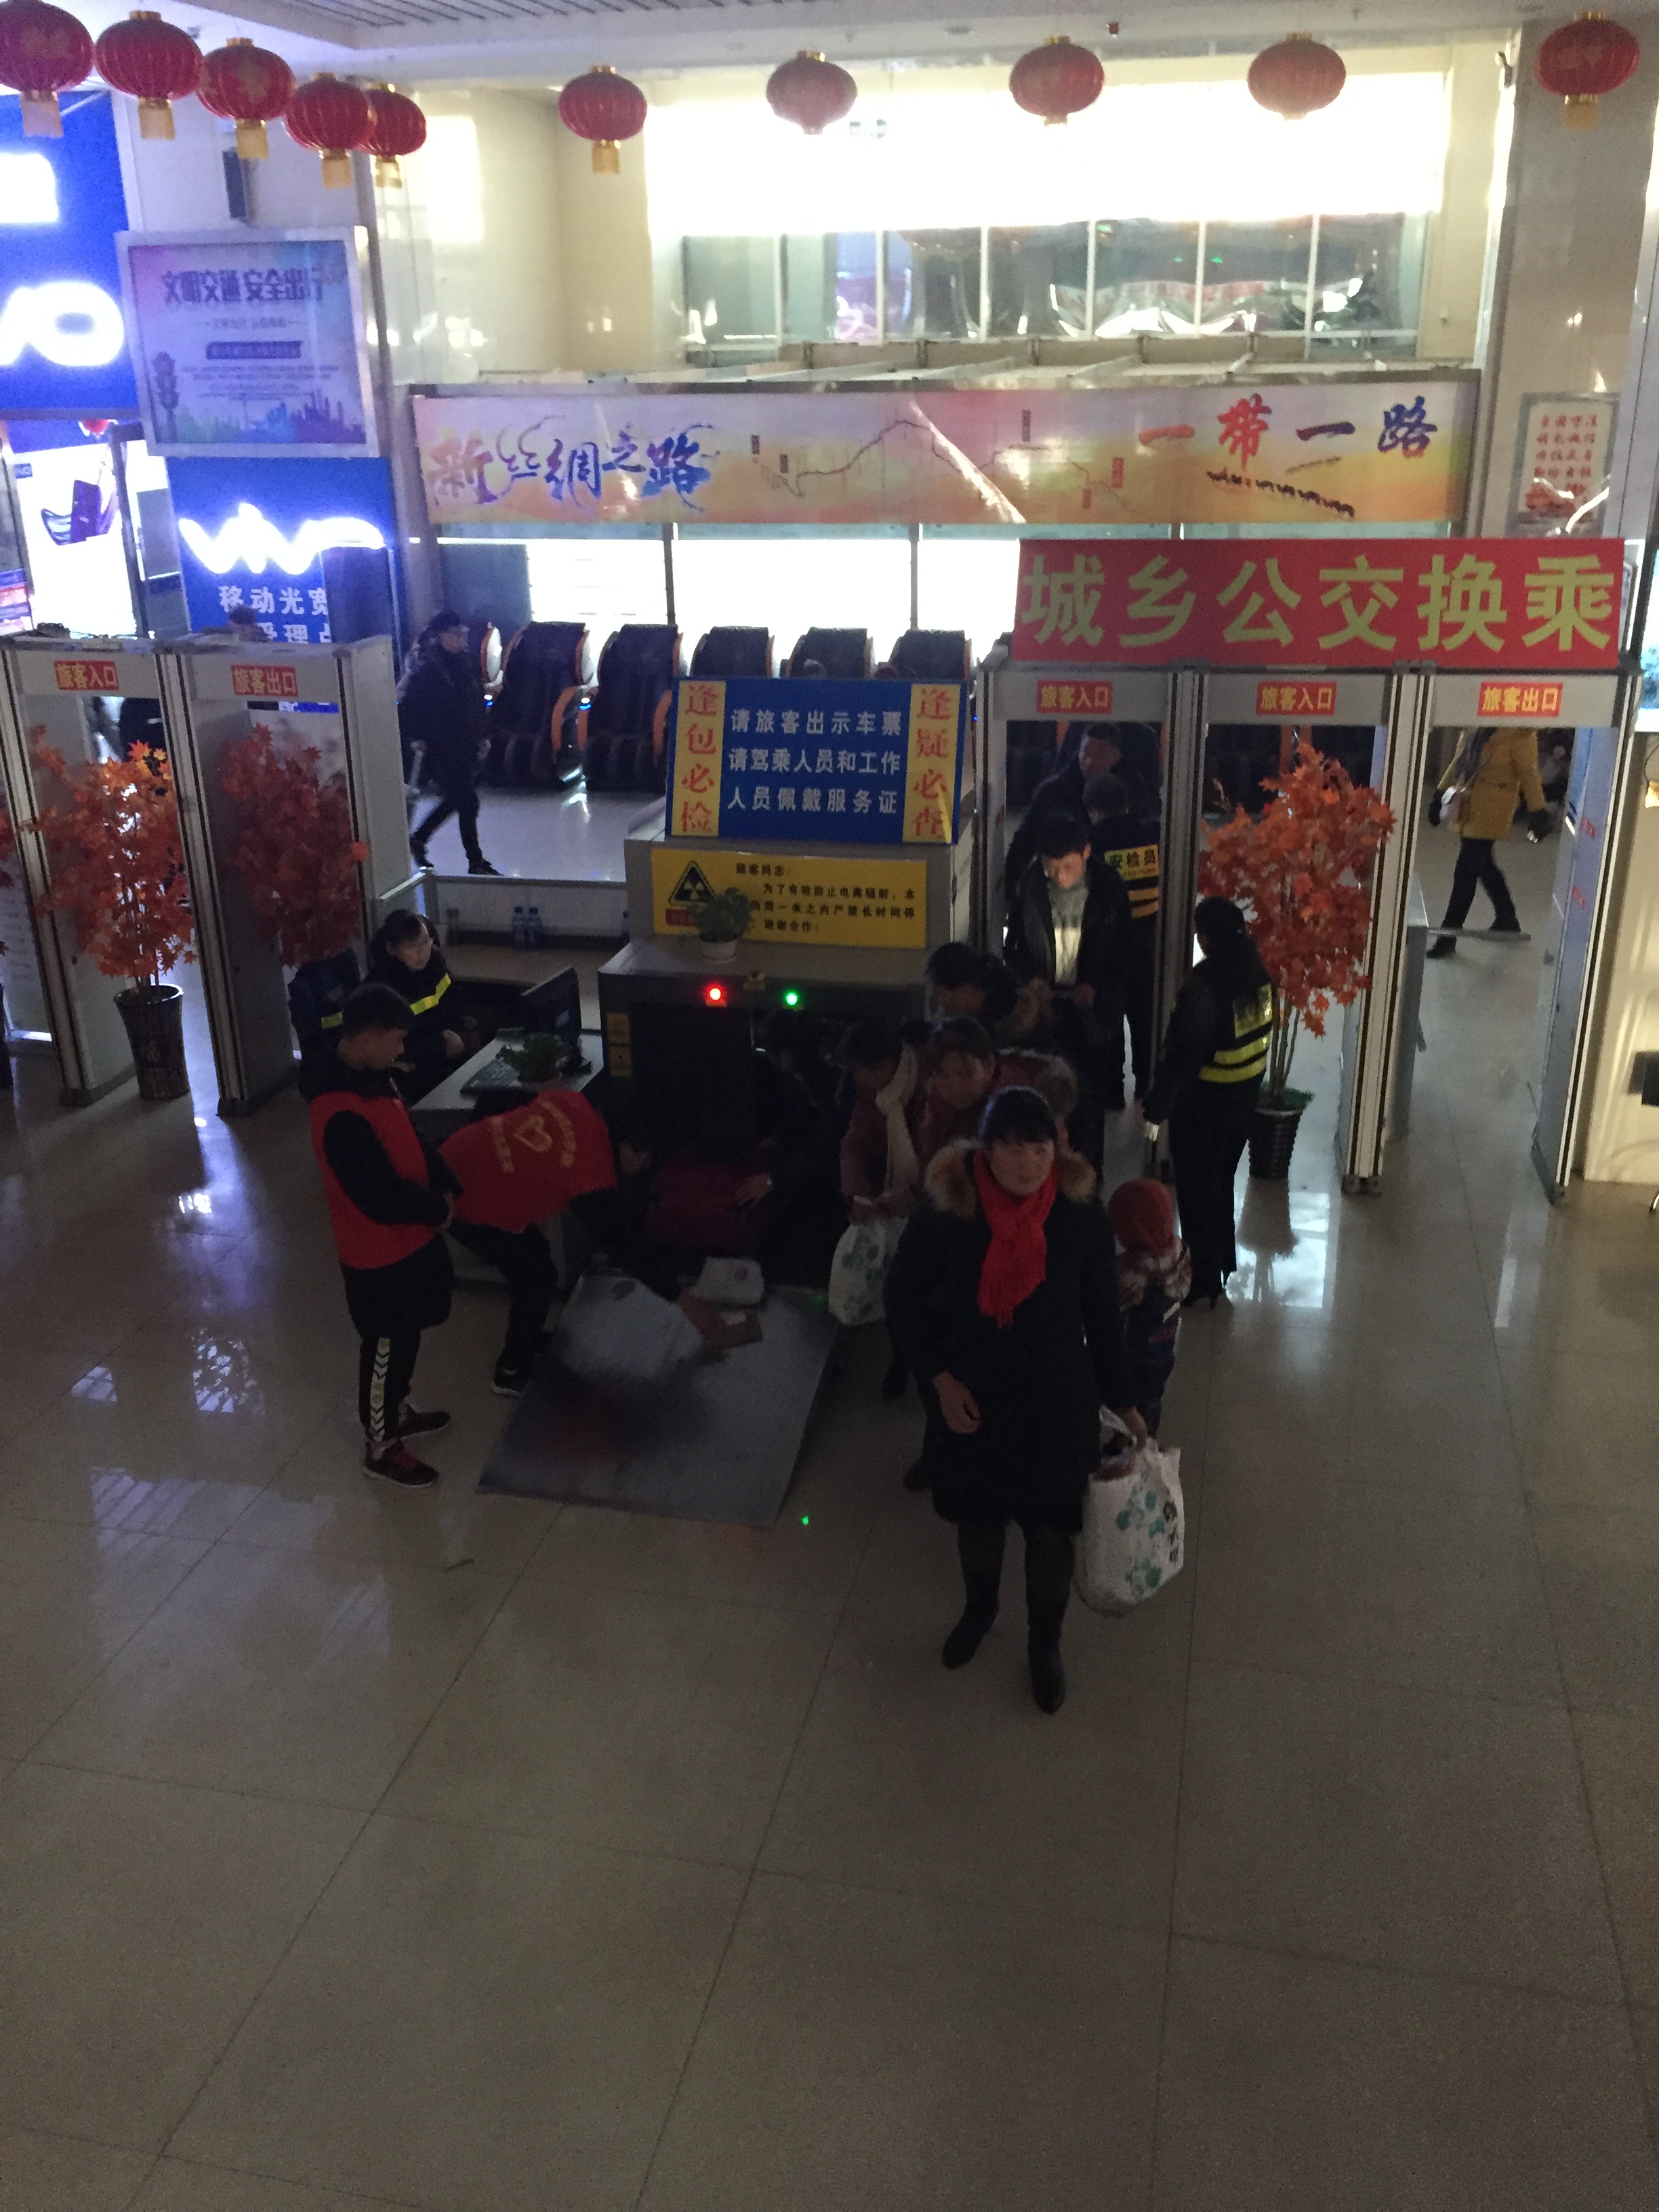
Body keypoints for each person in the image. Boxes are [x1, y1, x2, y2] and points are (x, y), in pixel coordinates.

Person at [885, 1086, 1145, 1714]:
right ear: (985, 1148)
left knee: (1051, 1529)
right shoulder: (949, 1211)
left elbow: (1102, 1316)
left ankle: (1044, 1644)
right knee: (978, 1517)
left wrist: (1125, 1402)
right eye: (1011, 1147)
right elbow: (904, 1300)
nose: (1027, 1163)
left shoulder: (1079, 1215)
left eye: (1039, 1148)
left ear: (1057, 1148)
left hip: (1057, 1399)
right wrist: (940, 1380)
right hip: (972, 1396)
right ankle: (979, 1611)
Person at [300, 983, 459, 1488]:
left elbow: (410, 1136)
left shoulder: (374, 1080)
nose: (402, 1049)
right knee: (385, 1348)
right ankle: (381, 1443)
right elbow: (377, 1194)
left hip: (409, 1241)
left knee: (407, 1335)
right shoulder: (339, 1110)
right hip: (377, 1256)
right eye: (396, 1039)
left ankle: (397, 1409)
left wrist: (445, 1183)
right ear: (367, 1037)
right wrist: (434, 1208)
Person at [439, 1085, 617, 1394]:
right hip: (462, 1203)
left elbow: (493, 1103)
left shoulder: (571, 1106)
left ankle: (528, 1338)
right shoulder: (591, 1167)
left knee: (536, 1264)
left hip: (460, 1175)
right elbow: (619, 1238)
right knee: (536, 1276)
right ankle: (510, 1370)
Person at [1143, 896, 1273, 1309]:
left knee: (1197, 1193)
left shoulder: (1204, 987)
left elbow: (1183, 1056)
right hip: (1243, 1102)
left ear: (1205, 938)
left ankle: (1201, 1280)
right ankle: (1218, 1271)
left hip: (1204, 1107)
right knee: (1219, 1187)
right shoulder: (1258, 974)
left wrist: (1156, 1110)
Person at [1004, 811, 1134, 1153]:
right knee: (1046, 1092)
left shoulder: (1108, 888)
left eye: (1067, 868)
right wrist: (1032, 978)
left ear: (1086, 853)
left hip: (1092, 1008)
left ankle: (1089, 1166)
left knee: (1089, 1098)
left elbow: (1126, 949)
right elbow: (1013, 945)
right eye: (1051, 869)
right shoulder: (1031, 885)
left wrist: (1096, 984)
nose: (1059, 877)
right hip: (1046, 1004)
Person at [1425, 724, 1550, 958]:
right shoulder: (1475, 727)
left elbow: (1529, 774)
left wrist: (1538, 810)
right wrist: (1439, 793)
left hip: (1493, 811)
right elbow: (1458, 762)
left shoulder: (1520, 734)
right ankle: (1507, 917)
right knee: (1484, 865)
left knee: (1465, 872)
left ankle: (1448, 936)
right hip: (1468, 806)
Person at [401, 611, 499, 876]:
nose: (461, 639)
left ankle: (419, 839)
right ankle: (475, 861)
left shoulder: (466, 663)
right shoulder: (427, 670)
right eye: (455, 634)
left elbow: (476, 702)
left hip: (464, 742)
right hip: (440, 746)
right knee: (468, 801)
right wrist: (417, 739)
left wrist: (483, 735)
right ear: (439, 636)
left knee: (459, 799)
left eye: (463, 634)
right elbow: (412, 709)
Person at [912, 1015, 1073, 1170]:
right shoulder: (936, 1107)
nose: (954, 1085)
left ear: (989, 1065)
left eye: (965, 1073)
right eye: (943, 1075)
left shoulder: (1020, 1102)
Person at [1085, 773, 1161, 1097]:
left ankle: (1113, 1089)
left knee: (1110, 1015)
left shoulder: (1094, 842)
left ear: (1094, 810)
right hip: (1151, 937)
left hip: (1112, 942)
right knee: (1145, 1014)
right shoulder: (1153, 834)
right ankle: (1145, 1081)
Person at [1105, 1176, 1192, 1435]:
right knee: (1152, 1401)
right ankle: (1148, 1438)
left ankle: (1129, 1447)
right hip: (1163, 1351)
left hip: (1133, 1358)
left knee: (1129, 1409)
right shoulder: (1179, 1250)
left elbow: (1109, 1305)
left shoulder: (1132, 1271)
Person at [1002, 723, 1121, 909]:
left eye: (1099, 755)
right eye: (1086, 754)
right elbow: (1024, 841)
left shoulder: (1130, 790)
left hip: (1114, 885)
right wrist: (1011, 891)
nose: (1090, 761)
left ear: (1116, 757)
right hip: (1060, 889)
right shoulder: (1054, 791)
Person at [365, 911, 472, 1101]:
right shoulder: (382, 988)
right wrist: (441, 1045)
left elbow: (453, 999)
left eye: (425, 942)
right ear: (392, 949)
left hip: (444, 1043)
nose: (422, 952)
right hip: (413, 1061)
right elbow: (393, 1044)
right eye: (412, 946)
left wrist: (455, 1032)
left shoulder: (434, 961)